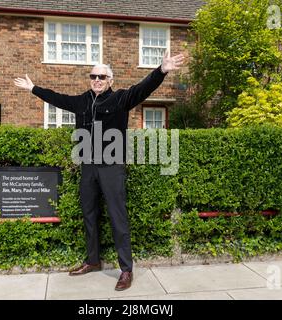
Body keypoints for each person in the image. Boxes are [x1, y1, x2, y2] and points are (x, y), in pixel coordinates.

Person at [14, 51, 184, 291]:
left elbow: (143, 89)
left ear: (110, 80)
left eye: (102, 77)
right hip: (88, 167)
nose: (97, 80)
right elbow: (57, 98)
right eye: (93, 76)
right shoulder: (82, 101)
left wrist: (161, 70)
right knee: (89, 215)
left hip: (112, 167)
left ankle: (126, 270)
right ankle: (92, 261)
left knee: (118, 217)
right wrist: (34, 88)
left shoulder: (120, 99)